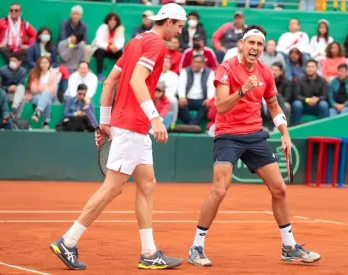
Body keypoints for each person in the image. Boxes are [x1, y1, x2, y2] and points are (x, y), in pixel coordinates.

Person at [49, 3, 187, 271]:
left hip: (130, 124)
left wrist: (103, 123)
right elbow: (137, 81)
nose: (179, 32)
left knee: (147, 184)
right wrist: (156, 117)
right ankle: (68, 240)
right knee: (113, 187)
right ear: (168, 21)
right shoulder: (156, 45)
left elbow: (110, 82)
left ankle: (149, 253)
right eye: (179, 26)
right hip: (134, 124)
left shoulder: (136, 41)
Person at [187, 25, 321, 267]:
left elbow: (274, 106)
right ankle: (196, 247)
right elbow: (221, 106)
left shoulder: (265, 72)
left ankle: (289, 245)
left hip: (254, 135)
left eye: (260, 45)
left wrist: (285, 134)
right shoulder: (226, 68)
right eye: (251, 43)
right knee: (219, 190)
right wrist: (242, 90)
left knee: (279, 188)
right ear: (242, 44)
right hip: (228, 135)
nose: (255, 48)